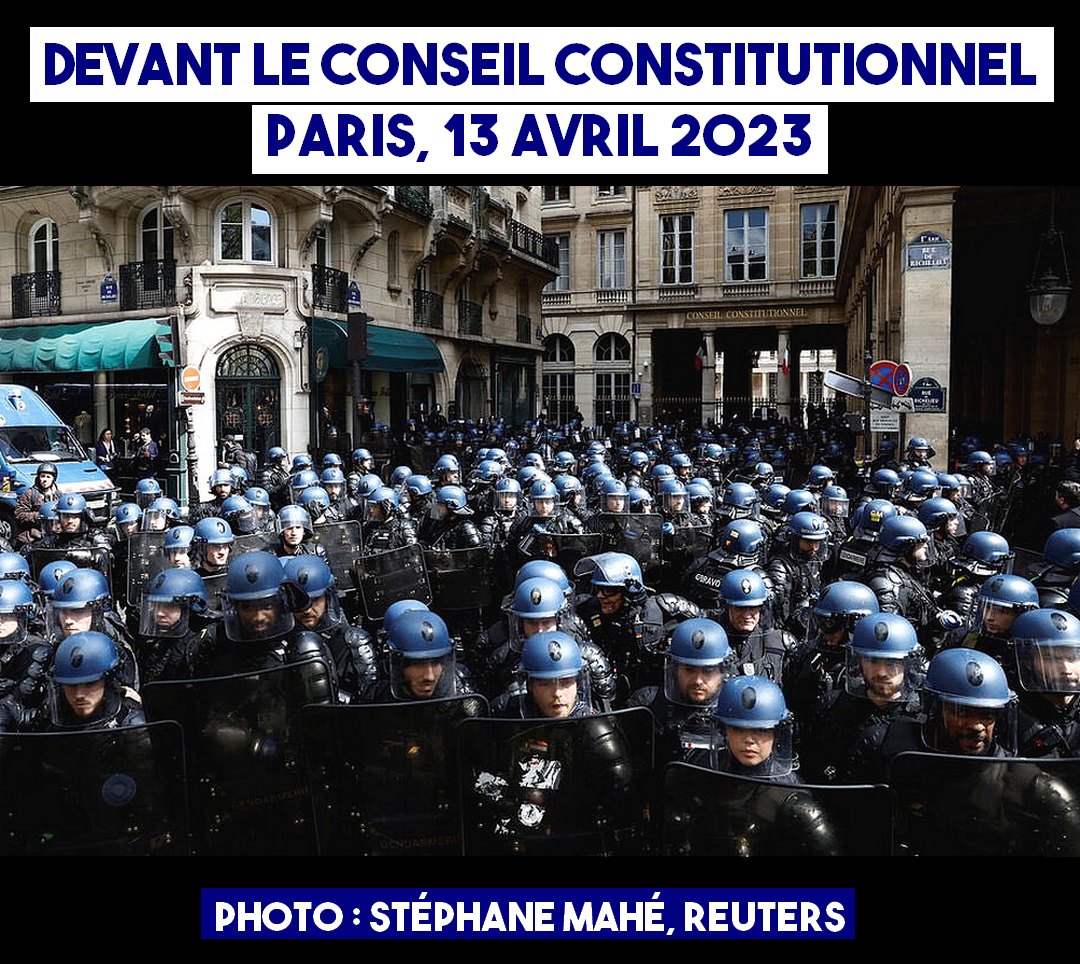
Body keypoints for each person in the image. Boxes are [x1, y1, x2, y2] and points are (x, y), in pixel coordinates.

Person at [627, 616, 735, 763]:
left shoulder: (735, 710)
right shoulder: (647, 706)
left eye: (708, 670)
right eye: (689, 670)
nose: (698, 680)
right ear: (675, 670)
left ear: (722, 673)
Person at [42, 631, 145, 731]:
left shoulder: (132, 726)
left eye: (89, 684)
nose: (79, 695)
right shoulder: (50, 722)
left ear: (108, 682)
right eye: (71, 686)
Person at [13, 462, 59, 547]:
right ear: (38, 477)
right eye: (42, 476)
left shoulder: (59, 495)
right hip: (33, 536)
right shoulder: (29, 494)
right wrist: (38, 516)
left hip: (54, 534)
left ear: (53, 479)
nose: (45, 479)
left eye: (48, 477)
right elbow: (19, 514)